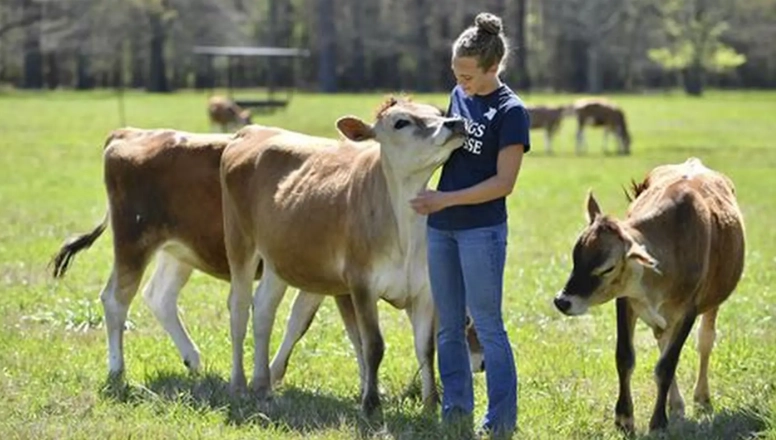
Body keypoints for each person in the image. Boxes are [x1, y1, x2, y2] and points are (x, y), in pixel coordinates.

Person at [410, 11, 530, 438]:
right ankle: (456, 412)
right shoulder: (459, 96)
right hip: (441, 228)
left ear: (492, 68)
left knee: (487, 324)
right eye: (456, 73)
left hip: (482, 230)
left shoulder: (511, 112)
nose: (461, 82)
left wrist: (446, 199)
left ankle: (500, 421)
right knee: (448, 325)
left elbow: (504, 182)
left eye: (468, 75)